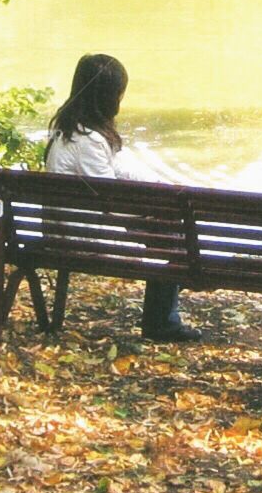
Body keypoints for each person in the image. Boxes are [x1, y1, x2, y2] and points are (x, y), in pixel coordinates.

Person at [43, 52, 202, 342]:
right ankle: (162, 323)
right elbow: (109, 200)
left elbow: (120, 168)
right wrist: (147, 213)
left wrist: (165, 187)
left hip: (66, 226)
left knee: (168, 230)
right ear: (107, 96)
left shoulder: (69, 131)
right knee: (170, 237)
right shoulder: (88, 142)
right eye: (119, 92)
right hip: (80, 234)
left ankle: (164, 319)